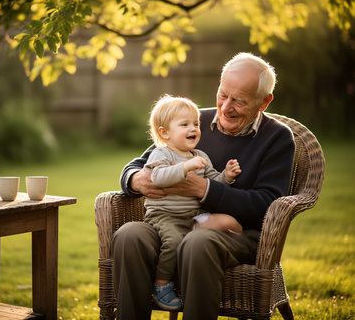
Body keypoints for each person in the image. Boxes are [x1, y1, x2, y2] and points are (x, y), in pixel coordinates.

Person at [112, 52, 296, 320]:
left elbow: (268, 205)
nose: (225, 107)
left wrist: (204, 189)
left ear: (264, 102)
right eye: (223, 95)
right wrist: (134, 180)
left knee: (198, 242)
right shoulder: (193, 122)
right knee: (130, 235)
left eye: (239, 101)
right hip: (172, 221)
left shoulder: (277, 138)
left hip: (236, 234)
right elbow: (139, 164)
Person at [144, 95, 242, 311]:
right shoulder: (160, 153)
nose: (194, 129)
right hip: (165, 215)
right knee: (174, 241)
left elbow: (212, 182)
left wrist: (226, 176)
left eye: (196, 124)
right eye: (185, 124)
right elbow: (158, 178)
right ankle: (161, 284)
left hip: (193, 215)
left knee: (224, 224)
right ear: (164, 132)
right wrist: (186, 168)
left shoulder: (199, 155)